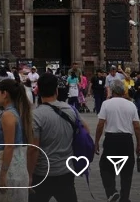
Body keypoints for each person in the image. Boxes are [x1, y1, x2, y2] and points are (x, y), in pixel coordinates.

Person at [28, 72, 82, 202]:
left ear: (38, 91)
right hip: (66, 172)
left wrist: (29, 174)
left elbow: (34, 149)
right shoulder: (71, 110)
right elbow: (83, 129)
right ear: (56, 90)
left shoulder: (35, 116)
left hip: (41, 173)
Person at [95, 79, 140, 202]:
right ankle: (124, 198)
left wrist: (96, 142)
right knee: (127, 171)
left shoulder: (106, 104)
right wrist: (139, 145)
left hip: (111, 139)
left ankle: (111, 192)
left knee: (105, 167)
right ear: (123, 91)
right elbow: (136, 127)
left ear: (112, 90)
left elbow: (100, 125)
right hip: (126, 140)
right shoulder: (131, 105)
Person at [0, 77, 33, 202]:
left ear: (5, 94)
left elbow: (9, 146)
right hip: (15, 168)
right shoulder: (16, 112)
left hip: (9, 171)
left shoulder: (8, 115)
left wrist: (3, 175)